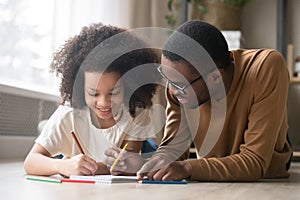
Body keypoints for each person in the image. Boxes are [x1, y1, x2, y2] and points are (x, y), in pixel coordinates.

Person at [107, 20, 293, 181]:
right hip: (211, 182)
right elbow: (173, 151)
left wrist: (188, 168)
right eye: (168, 79)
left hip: (266, 183)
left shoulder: (265, 67)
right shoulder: (178, 86)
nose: (171, 91)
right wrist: (146, 164)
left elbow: (255, 162)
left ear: (215, 77)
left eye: (179, 84)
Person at [24, 23, 161, 177]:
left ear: (129, 86)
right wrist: (61, 165)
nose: (103, 102)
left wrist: (122, 165)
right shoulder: (67, 114)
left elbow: (125, 166)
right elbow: (31, 162)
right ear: (80, 90)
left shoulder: (136, 113)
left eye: (113, 92)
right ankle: (45, 127)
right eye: (93, 94)